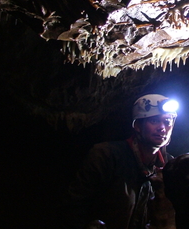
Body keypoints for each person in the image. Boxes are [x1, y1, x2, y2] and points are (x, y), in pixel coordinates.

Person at [60, 94, 179, 229]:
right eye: (155, 121)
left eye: (168, 121)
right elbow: (74, 205)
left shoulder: (170, 167)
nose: (162, 128)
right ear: (138, 125)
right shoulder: (107, 155)